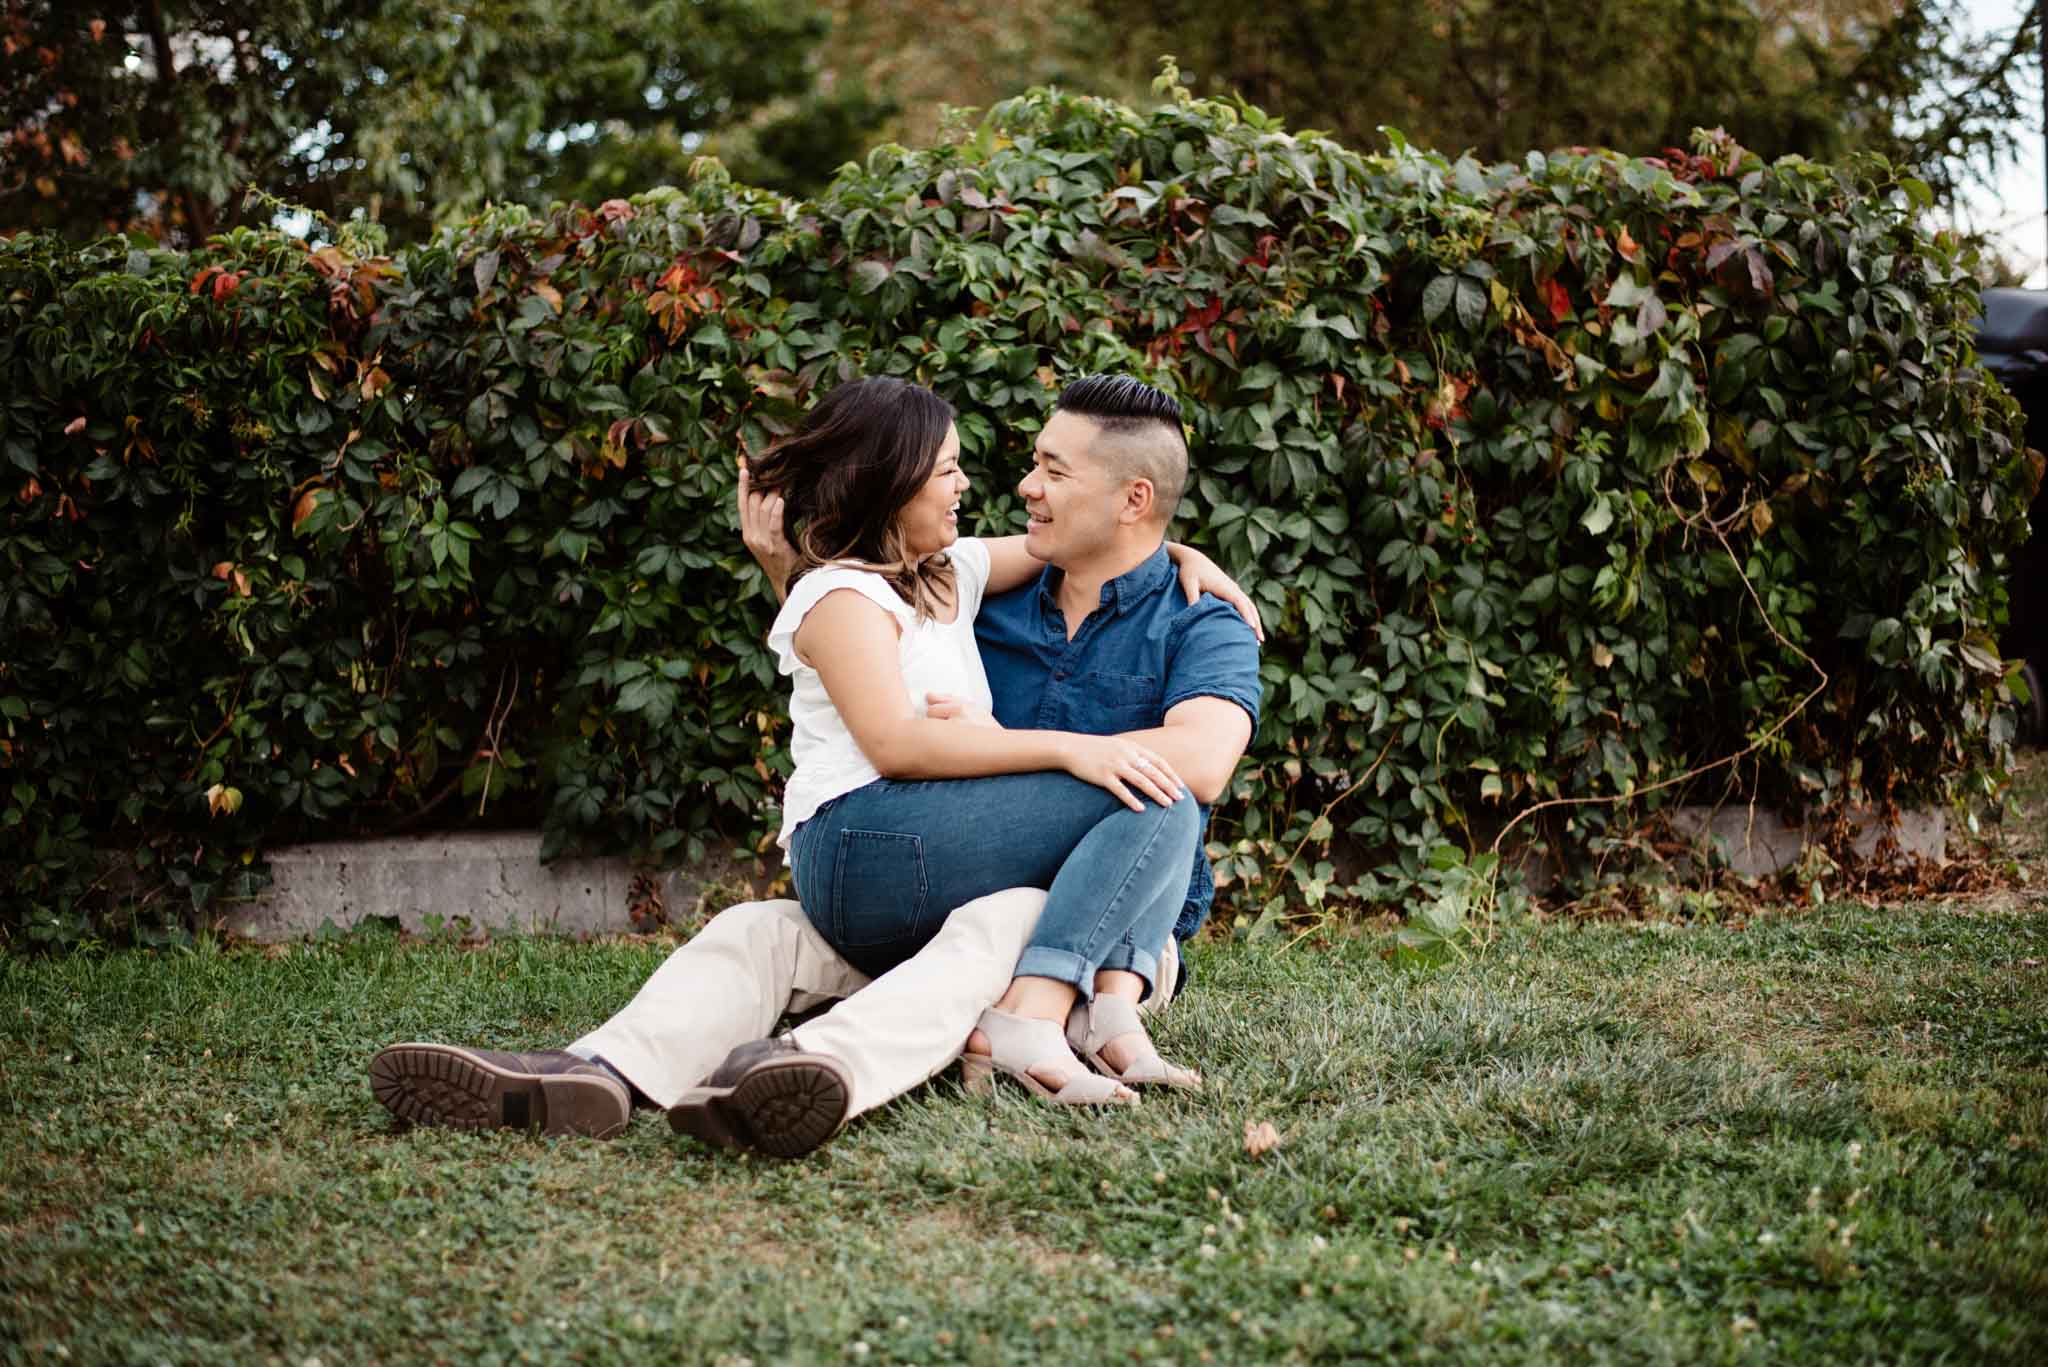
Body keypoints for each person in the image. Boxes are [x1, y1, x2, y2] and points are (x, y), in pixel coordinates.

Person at [369, 374, 1262, 1156]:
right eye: (1017, 464)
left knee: (1029, 897)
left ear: (1133, 499)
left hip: (1102, 927)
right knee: (758, 932)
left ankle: (809, 1067)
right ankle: (601, 1068)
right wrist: (791, 573)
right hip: (914, 872)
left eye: (1053, 473)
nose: (1018, 487)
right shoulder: (973, 583)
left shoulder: (1192, 618)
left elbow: (1200, 766)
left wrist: (1171, 555)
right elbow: (863, 634)